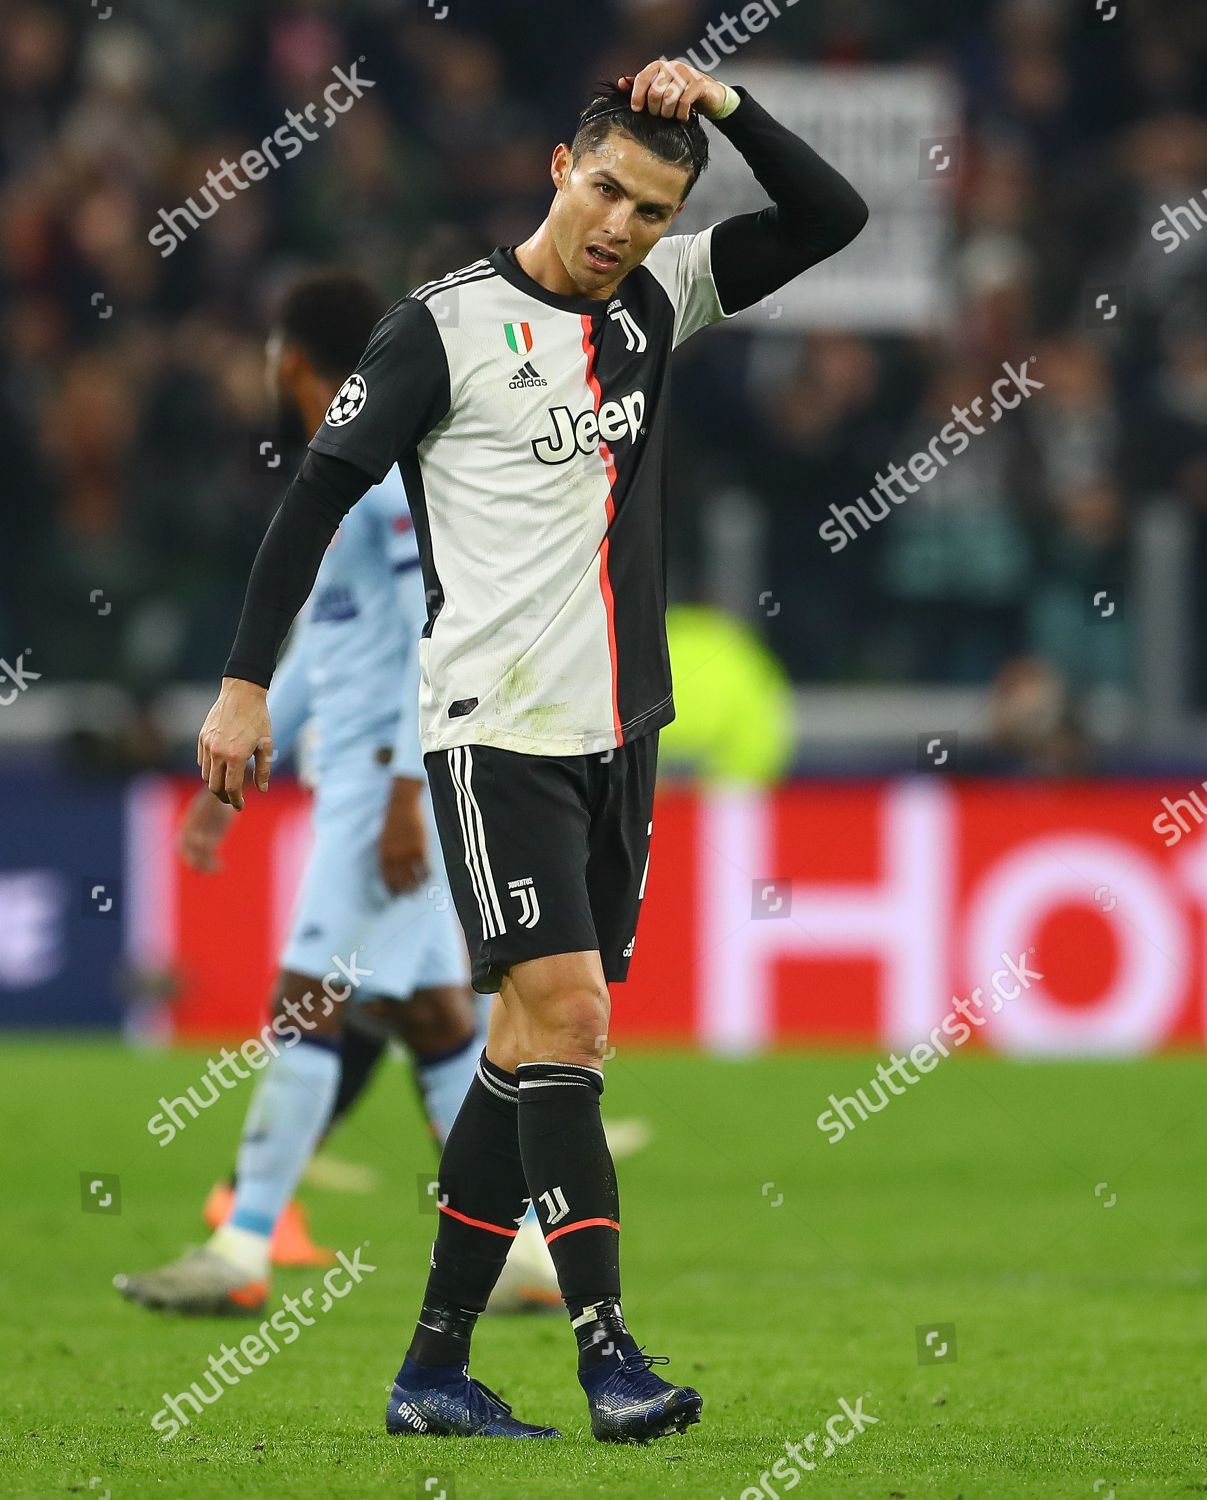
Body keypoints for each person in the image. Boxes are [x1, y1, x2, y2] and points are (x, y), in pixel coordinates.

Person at [196, 59, 867, 1441]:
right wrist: (244, 688)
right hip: (488, 731)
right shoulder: (438, 329)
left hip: (615, 735)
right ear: (558, 171)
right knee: (570, 1021)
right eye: (606, 189)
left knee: (519, 1050)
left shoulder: (657, 300)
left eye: (652, 205)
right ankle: (607, 1353)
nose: (621, 224)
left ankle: (431, 1372)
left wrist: (731, 110)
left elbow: (832, 216)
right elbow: (314, 495)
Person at [115, 271, 558, 1316]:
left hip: (381, 783)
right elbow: (333, 630)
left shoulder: (395, 473)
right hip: (375, 779)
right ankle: (531, 1253)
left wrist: (408, 790)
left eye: (273, 352)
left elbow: (429, 630)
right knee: (434, 1019)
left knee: (305, 1003)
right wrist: (235, 769)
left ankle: (241, 1249)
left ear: (297, 359)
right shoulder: (356, 467)